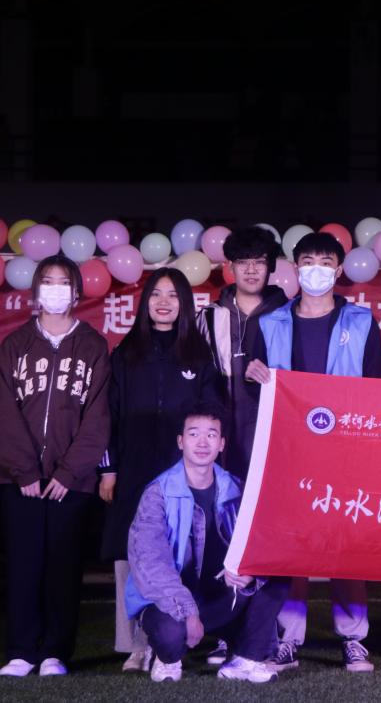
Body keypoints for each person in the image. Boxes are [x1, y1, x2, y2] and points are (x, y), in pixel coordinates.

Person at [246, 231, 381, 672]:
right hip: (289, 450)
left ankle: (353, 637)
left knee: (345, 542)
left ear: (339, 270)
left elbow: (377, 389)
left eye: (326, 262)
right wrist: (253, 375)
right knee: (292, 543)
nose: (317, 270)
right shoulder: (270, 323)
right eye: (308, 262)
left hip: (347, 451)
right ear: (295, 268)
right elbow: (256, 388)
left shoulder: (360, 321)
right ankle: (288, 637)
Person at [0, 256, 112, 677]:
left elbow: (98, 418)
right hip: (18, 480)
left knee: (63, 565)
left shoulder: (93, 346)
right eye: (48, 281)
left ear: (76, 293)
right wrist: (23, 471)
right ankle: (21, 651)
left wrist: (68, 472)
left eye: (63, 283)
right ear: (36, 291)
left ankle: (55, 652)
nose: (55, 289)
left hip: (70, 482)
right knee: (24, 564)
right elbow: (3, 413)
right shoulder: (15, 344)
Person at [99, 267, 225, 672]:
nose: (164, 302)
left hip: (180, 473)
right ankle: (135, 645)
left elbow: (212, 414)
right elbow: (106, 415)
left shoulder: (198, 355)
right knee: (131, 553)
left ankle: (174, 633)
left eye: (172, 295)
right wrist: (109, 470)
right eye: (156, 294)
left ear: (185, 303)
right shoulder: (125, 354)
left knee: (178, 551)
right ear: (145, 302)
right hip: (133, 469)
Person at [125, 405, 286, 683]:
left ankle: (245, 659)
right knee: (170, 635)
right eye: (194, 434)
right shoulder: (158, 493)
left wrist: (250, 572)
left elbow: (262, 543)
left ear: (221, 444)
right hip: (171, 602)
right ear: (180, 441)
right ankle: (166, 658)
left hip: (219, 596)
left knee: (278, 576)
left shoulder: (236, 489)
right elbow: (151, 563)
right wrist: (187, 610)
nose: (202, 442)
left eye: (211, 435)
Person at [196, 226, 287, 481]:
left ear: (271, 266)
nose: (251, 270)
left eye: (259, 262)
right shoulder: (208, 317)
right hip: (221, 434)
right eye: (243, 262)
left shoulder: (288, 315)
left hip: (275, 430)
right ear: (230, 267)